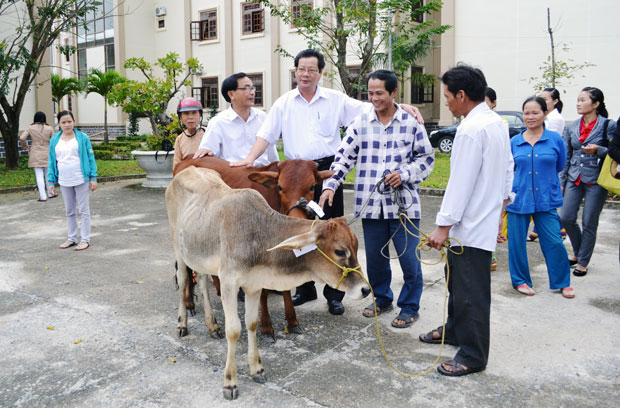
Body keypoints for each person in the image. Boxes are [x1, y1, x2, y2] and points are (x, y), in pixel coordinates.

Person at [230, 48, 423, 315]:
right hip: (295, 177)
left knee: (333, 234)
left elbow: (373, 106)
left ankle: (334, 295)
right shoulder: (284, 103)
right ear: (295, 71)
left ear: (320, 72)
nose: (305, 74)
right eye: (300, 69)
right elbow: (266, 136)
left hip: (326, 174)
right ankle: (304, 289)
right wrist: (249, 159)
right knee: (299, 232)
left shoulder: (335, 99)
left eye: (311, 69)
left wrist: (405, 108)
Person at [319, 69, 434, 328]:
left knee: (409, 261)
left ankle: (409, 307)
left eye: (379, 93)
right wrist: (330, 186)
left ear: (394, 92)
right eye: (370, 93)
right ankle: (382, 298)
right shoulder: (360, 124)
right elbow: (343, 158)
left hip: (403, 206)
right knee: (375, 259)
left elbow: (427, 159)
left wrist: (404, 174)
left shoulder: (411, 123)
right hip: (371, 207)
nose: (374, 98)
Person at [420, 64, 514, 377]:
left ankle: (473, 355)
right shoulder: (495, 122)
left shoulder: (472, 130)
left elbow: (460, 183)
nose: (445, 101)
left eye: (447, 96)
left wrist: (443, 226)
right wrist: (502, 203)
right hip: (478, 220)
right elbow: (507, 169)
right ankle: (456, 331)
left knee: (471, 291)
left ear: (462, 95)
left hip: (470, 226)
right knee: (457, 284)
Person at [506, 97, 574, 298]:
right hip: (518, 198)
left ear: (545, 114)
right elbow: (509, 170)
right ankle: (520, 281)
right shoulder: (514, 142)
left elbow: (559, 164)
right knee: (517, 244)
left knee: (554, 241)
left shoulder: (555, 139)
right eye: (526, 112)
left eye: (535, 112)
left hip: (546, 197)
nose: (530, 117)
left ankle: (562, 282)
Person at [559, 87, 616, 277]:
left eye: (583, 100)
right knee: (566, 217)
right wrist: (562, 180)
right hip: (574, 177)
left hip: (596, 179)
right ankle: (578, 250)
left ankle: (582, 261)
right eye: (577, 100)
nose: (578, 103)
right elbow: (567, 155)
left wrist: (598, 149)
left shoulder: (608, 125)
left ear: (596, 104)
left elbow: (614, 152)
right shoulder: (572, 126)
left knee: (589, 221)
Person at [193, 72, 278, 164]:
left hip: (263, 174)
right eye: (247, 88)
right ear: (231, 94)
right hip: (234, 174)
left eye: (253, 87)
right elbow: (208, 152)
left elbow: (271, 151)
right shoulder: (218, 122)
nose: (253, 92)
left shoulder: (262, 117)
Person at [47, 110, 97, 251]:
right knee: (70, 211)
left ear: (74, 122)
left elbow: (90, 158)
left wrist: (93, 178)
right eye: (63, 122)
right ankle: (72, 238)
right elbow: (51, 161)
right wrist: (51, 181)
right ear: (59, 124)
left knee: (84, 210)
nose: (67, 124)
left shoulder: (82, 138)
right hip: (64, 180)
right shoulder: (54, 140)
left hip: (81, 179)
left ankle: (85, 239)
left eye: (69, 121)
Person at [528, 87, 567, 242]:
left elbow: (554, 149)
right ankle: (540, 229)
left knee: (545, 201)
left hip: (545, 165)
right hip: (538, 165)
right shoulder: (548, 118)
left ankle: (559, 228)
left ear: (555, 101)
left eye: (546, 99)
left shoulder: (555, 119)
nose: (542, 101)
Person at [484, 87, 508, 271]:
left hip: (492, 184)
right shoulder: (467, 125)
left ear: (493, 103)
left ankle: (490, 255)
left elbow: (507, 163)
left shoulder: (500, 124)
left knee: (492, 220)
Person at [20, 111, 54, 202]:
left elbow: (22, 138)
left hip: (35, 152)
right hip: (47, 152)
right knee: (48, 174)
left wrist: (25, 147)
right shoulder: (49, 128)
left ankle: (43, 197)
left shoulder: (30, 128)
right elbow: (54, 141)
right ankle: (51, 193)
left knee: (39, 175)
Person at [172, 97, 205, 172]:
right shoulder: (179, 139)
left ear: (200, 115)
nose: (190, 117)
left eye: (194, 113)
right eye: (186, 113)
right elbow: (176, 166)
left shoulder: (208, 133)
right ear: (181, 117)